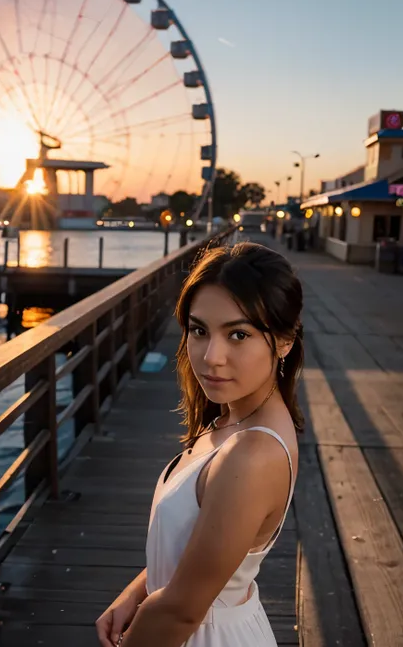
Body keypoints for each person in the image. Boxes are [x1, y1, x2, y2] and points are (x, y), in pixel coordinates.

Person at [96, 241, 304, 647]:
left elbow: (182, 610)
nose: (212, 356)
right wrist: (135, 594)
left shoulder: (254, 453)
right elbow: (195, 553)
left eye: (238, 334)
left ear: (284, 340)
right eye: (199, 330)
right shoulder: (233, 418)